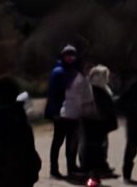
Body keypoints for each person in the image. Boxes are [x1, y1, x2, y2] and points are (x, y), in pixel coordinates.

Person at [45, 44, 82, 177]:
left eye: (73, 55)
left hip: (72, 111)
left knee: (72, 141)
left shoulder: (73, 71)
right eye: (68, 55)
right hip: (61, 112)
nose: (71, 57)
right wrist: (55, 112)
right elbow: (53, 94)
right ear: (63, 56)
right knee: (58, 141)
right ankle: (54, 169)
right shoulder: (58, 72)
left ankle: (71, 167)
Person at [82, 65, 119, 179]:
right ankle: (94, 169)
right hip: (95, 122)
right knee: (95, 147)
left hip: (102, 123)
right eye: (103, 76)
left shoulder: (103, 89)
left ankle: (102, 166)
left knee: (101, 146)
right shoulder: (93, 90)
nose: (106, 78)